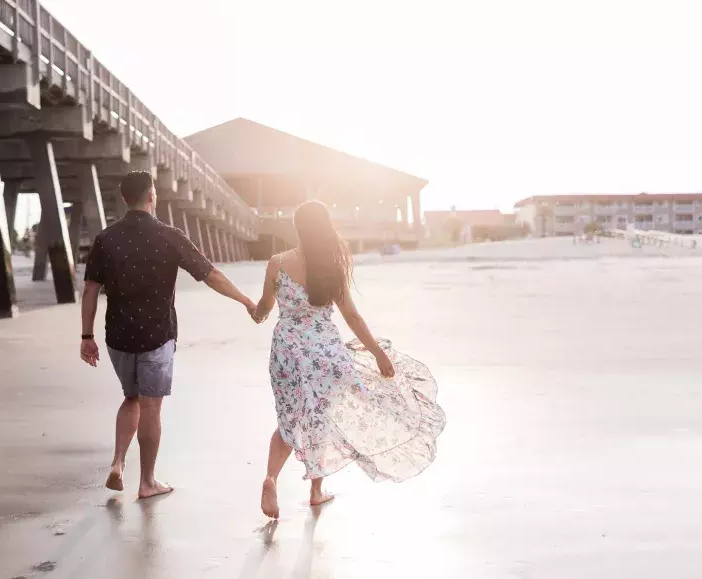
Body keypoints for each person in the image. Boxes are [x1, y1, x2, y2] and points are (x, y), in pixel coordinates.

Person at [250, 200, 446, 519]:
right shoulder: (331, 266)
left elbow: (265, 306)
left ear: (296, 228)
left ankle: (271, 478)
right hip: (325, 351)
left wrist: (255, 314)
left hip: (287, 349)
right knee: (321, 418)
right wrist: (379, 354)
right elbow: (352, 317)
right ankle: (315, 491)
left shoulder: (277, 262)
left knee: (289, 416)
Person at [79, 171, 256, 499]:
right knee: (151, 408)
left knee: (131, 398)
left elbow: (90, 288)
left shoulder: (106, 238)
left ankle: (117, 462)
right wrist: (245, 300)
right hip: (157, 335)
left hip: (117, 334)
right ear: (152, 196)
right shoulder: (169, 235)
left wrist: (86, 336)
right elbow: (210, 274)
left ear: (123, 197)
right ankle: (147, 482)